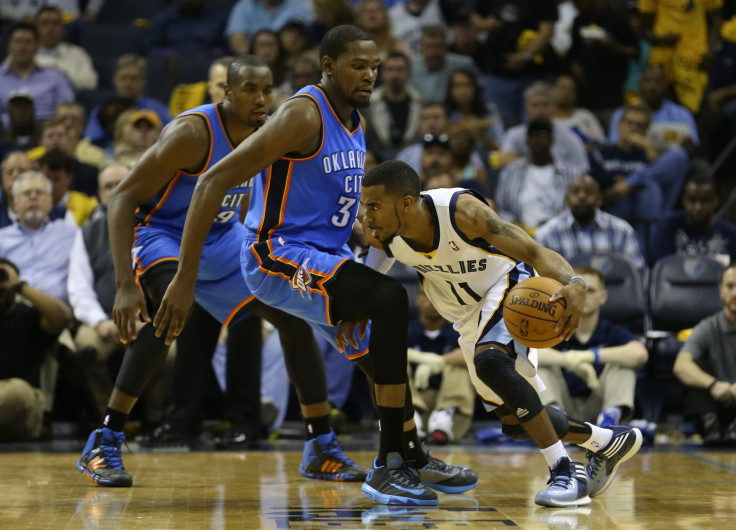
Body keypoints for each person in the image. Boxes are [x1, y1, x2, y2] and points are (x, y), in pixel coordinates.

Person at [156, 26, 477, 507]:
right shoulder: (303, 115)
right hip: (273, 253)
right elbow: (212, 183)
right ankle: (391, 464)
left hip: (324, 260)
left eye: (375, 67)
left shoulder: (354, 122)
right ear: (328, 66)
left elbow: (360, 223)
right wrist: (184, 278)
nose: (370, 75)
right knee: (391, 299)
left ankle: (410, 452)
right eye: (358, 66)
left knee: (378, 350)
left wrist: (353, 297)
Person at [76, 55, 370, 487]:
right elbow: (121, 198)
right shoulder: (191, 134)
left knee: (292, 319)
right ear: (226, 93)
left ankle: (321, 445)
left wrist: (357, 225)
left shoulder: (271, 130)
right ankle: (104, 440)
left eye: (267, 89)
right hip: (161, 235)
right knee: (169, 321)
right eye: (249, 89)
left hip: (222, 237)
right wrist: (125, 285)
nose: (261, 99)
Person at [352, 159, 643, 506]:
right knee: (516, 422)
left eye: (373, 206)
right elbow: (376, 267)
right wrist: (356, 310)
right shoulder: (383, 231)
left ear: (405, 203)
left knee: (490, 361)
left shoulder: (462, 212)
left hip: (508, 288)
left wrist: (574, 282)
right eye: (363, 206)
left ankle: (565, 472)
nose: (366, 217)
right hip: (465, 316)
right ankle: (605, 440)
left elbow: (533, 251)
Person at [537, 266, 649, 427]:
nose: (583, 296)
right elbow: (529, 353)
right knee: (538, 365)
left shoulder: (612, 331)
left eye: (590, 290)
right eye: (578, 290)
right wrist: (568, 360)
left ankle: (609, 420)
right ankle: (556, 422)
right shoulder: (554, 328)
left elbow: (640, 354)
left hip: (600, 406)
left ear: (603, 297)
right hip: (562, 406)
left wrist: (590, 356)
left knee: (624, 363)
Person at [0, 258, 72, 441]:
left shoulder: (27, 316)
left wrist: (19, 286)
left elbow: (62, 318)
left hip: (24, 405)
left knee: (16, 392)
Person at [673, 264, 736, 445]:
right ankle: (710, 423)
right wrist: (714, 385)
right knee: (696, 366)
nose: (735, 293)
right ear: (721, 290)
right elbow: (680, 365)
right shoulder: (708, 326)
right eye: (730, 286)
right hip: (717, 402)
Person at [535, 175, 645, 270]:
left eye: (588, 192)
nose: (582, 196)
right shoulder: (547, 234)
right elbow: (539, 278)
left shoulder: (621, 231)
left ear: (599, 199)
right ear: (567, 200)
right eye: (576, 192)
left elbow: (636, 273)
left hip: (611, 292)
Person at [649, 176, 736, 266]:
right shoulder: (668, 225)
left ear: (715, 201)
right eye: (693, 200)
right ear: (684, 201)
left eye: (705, 200)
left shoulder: (730, 233)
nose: (698, 207)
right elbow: (658, 266)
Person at [0, 22, 75, 126]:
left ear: (37, 48)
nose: (22, 47)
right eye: (17, 41)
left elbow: (67, 110)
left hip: (44, 134)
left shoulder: (56, 77)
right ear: (9, 47)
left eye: (28, 42)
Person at [35, 5, 98, 91]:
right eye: (45, 23)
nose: (50, 28)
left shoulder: (77, 53)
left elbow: (91, 82)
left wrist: (59, 75)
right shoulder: (23, 52)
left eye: (55, 23)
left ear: (63, 28)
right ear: (36, 28)